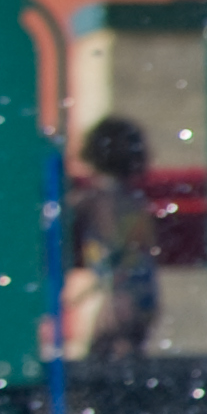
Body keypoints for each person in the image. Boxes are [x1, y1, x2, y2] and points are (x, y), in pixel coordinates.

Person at [64, 116, 163, 362]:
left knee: (101, 358)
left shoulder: (98, 199)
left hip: (118, 291)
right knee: (129, 354)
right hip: (143, 286)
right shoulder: (133, 199)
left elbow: (112, 246)